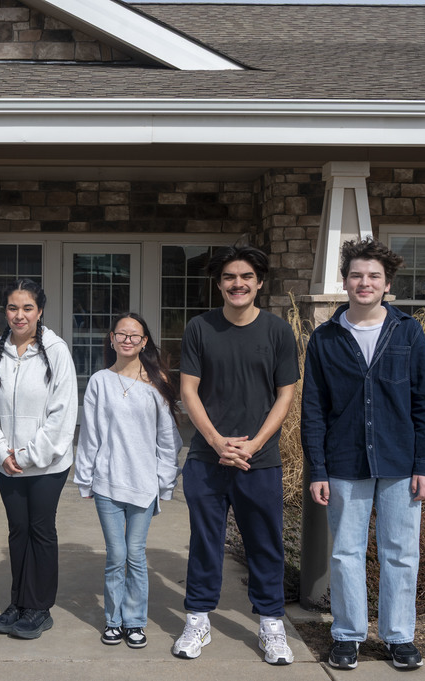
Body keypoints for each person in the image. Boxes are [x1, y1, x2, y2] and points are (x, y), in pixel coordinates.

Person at [301, 237, 425, 671]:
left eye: (373, 276)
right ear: (345, 282)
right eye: (357, 275)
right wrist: (317, 469)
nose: (365, 282)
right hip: (344, 462)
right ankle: (347, 635)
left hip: (401, 461)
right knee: (345, 552)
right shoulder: (324, 338)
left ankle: (399, 637)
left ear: (386, 284)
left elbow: (424, 403)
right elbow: (313, 410)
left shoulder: (407, 331)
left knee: (400, 551)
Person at [172, 245, 300, 665]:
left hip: (259, 461)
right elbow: (188, 390)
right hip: (207, 460)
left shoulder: (278, 332)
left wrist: (255, 443)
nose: (238, 284)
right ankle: (197, 619)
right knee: (205, 543)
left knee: (265, 545)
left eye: (246, 277)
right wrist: (215, 441)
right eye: (230, 277)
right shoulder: (200, 328)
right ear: (219, 283)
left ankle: (271, 625)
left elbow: (285, 396)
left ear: (260, 282)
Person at [74, 312, 182, 650]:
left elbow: (168, 439)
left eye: (135, 336)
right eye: (122, 334)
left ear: (144, 341)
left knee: (135, 554)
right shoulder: (99, 381)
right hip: (107, 483)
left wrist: (165, 481)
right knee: (115, 554)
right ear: (111, 338)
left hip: (144, 485)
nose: (128, 340)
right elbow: (89, 433)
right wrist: (86, 477)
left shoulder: (156, 382)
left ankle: (135, 622)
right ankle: (113, 621)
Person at [0, 279, 79, 640]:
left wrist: (25, 456)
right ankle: (19, 602)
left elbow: (62, 415)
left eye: (27, 308)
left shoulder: (55, 352)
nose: (19, 315)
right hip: (6, 462)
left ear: (39, 312)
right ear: (5, 311)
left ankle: (39, 607)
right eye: (12, 307)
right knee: (17, 531)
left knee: (40, 531)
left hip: (46, 464)